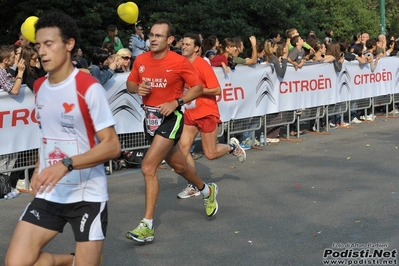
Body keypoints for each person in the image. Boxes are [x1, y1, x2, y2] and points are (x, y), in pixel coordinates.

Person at [5, 11, 121, 266]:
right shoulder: (40, 87)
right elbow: (47, 136)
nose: (42, 52)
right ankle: (68, 260)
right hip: (51, 193)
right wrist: (38, 169)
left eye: (49, 44)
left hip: (87, 195)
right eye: (38, 45)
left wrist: (66, 164)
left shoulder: (88, 87)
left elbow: (112, 146)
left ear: (69, 44)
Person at [125, 19, 219, 243]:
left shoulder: (179, 62)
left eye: (159, 36)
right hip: (150, 118)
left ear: (170, 40)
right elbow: (130, 84)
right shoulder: (141, 60)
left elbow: (196, 88)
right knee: (179, 166)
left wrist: (176, 102)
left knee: (148, 166)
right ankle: (207, 191)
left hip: (172, 118)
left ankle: (147, 226)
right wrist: (137, 88)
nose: (153, 39)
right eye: (151, 35)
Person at [177, 32, 246, 199]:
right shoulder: (180, 64)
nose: (184, 47)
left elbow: (217, 90)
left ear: (197, 49)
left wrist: (197, 91)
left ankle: (232, 147)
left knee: (210, 154)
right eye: (183, 44)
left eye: (188, 44)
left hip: (206, 112)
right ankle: (193, 185)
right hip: (190, 112)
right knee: (182, 149)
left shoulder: (201, 64)